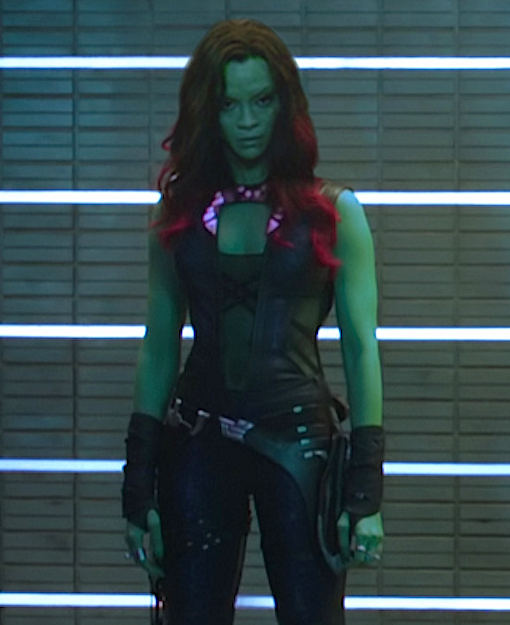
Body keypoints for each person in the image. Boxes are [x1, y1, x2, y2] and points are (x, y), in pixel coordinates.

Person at [122, 18, 384, 625]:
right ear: (206, 110)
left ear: (284, 103)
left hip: (301, 442)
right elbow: (158, 346)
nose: (246, 121)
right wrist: (137, 484)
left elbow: (361, 348)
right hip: (196, 440)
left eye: (261, 101)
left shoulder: (334, 212)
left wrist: (366, 489)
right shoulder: (179, 212)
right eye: (229, 104)